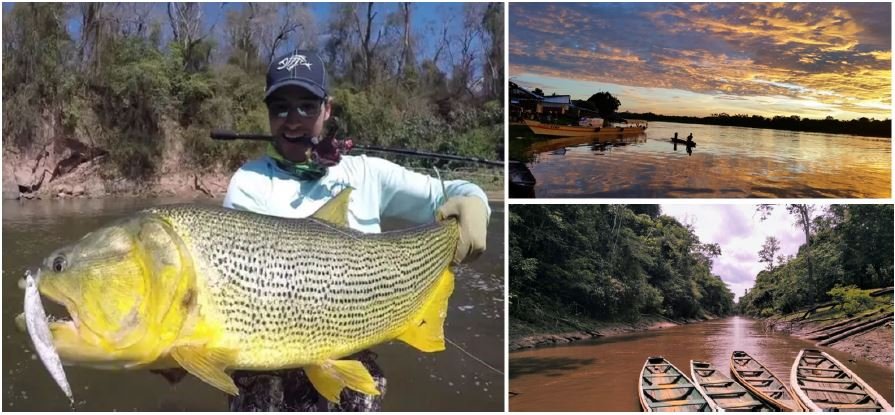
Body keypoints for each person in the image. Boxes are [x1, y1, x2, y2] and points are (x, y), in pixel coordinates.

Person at [221, 50, 490, 411]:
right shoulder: (249, 182)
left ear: (327, 109)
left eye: (306, 106)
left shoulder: (368, 174)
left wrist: (476, 204)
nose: (293, 120)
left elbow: (458, 192)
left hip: (351, 355)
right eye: (280, 108)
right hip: (269, 358)